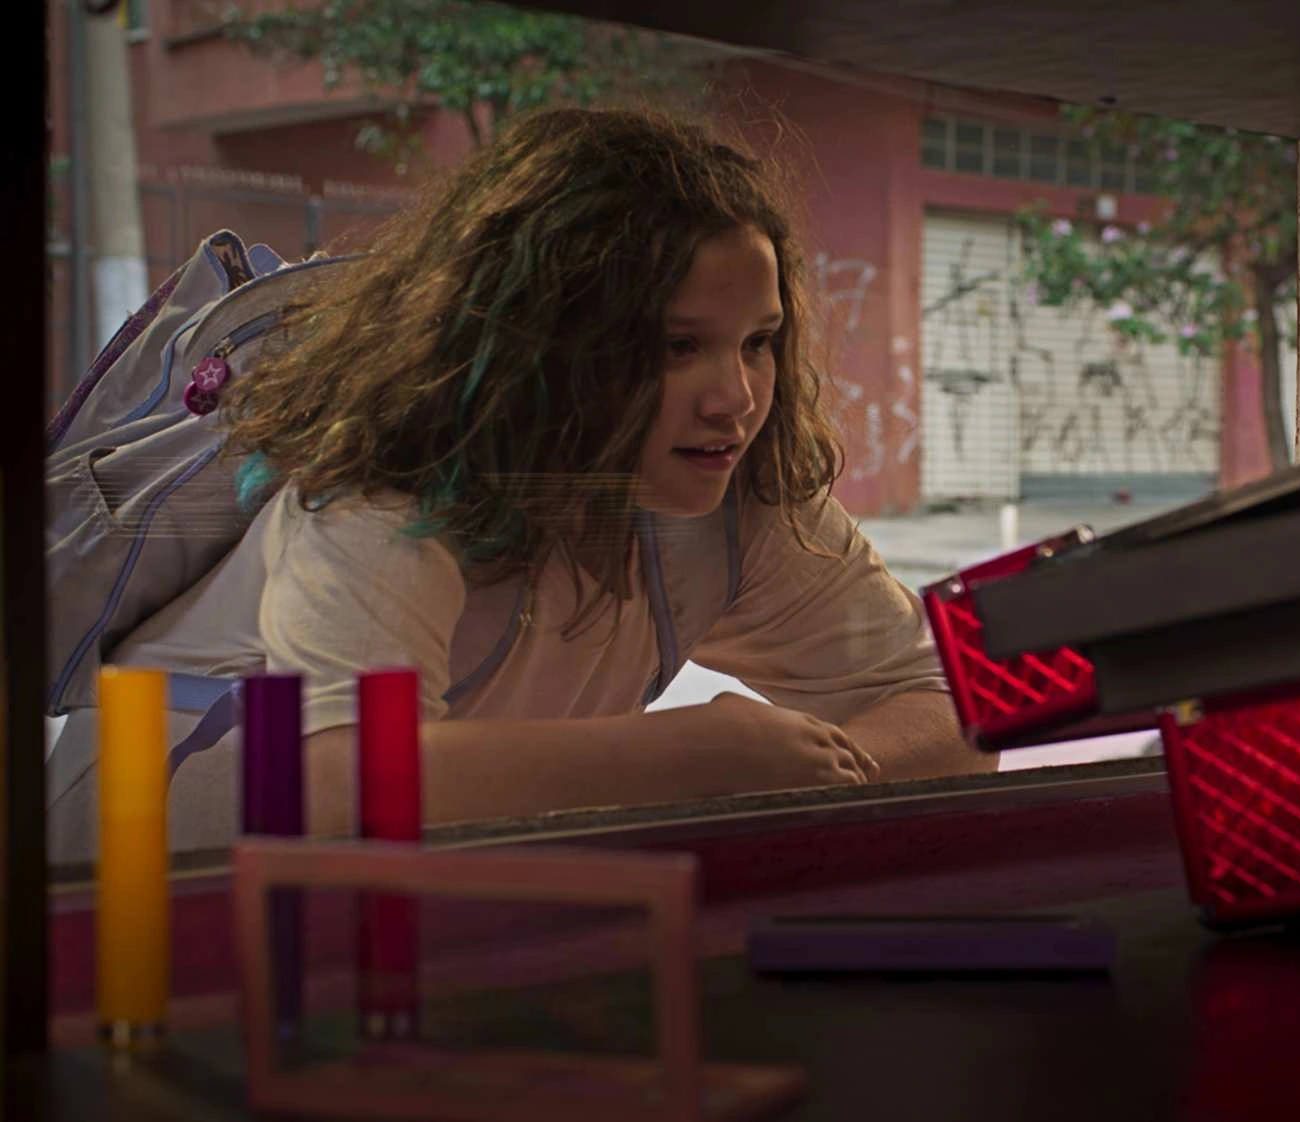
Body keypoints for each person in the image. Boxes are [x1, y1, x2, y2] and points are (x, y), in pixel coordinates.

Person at [47, 106, 992, 863]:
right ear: (544, 347)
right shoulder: (385, 497)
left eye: (759, 342)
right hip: (130, 893)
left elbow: (954, 701)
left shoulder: (734, 502)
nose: (736, 397)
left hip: (406, 908)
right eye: (676, 346)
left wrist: (824, 769)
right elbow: (341, 787)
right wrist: (686, 759)